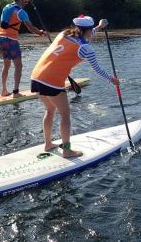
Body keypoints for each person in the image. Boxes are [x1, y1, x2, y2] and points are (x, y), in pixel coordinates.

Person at [30, 15, 120, 158]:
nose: (92, 33)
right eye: (91, 30)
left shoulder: (64, 34)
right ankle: (66, 150)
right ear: (87, 30)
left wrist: (99, 27)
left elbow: (85, 35)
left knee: (50, 109)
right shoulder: (85, 48)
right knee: (65, 114)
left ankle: (48, 144)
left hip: (36, 76)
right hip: (51, 81)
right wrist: (112, 80)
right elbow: (97, 69)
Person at [0, 0, 49, 97]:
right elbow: (30, 27)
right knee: (18, 65)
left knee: (6, 64)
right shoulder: (21, 12)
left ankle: (3, 90)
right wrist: (41, 33)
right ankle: (16, 92)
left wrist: (27, 1)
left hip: (1, 37)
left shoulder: (7, 7)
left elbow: (17, 9)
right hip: (11, 39)